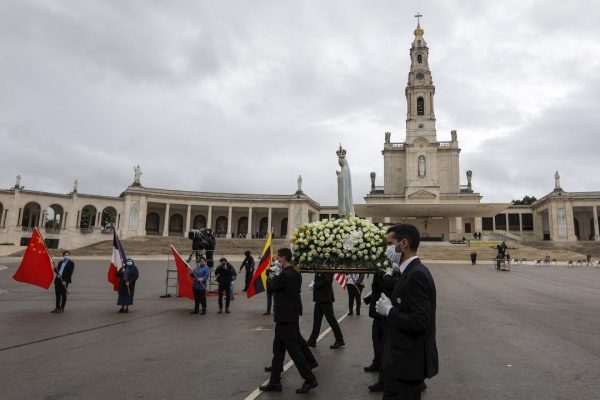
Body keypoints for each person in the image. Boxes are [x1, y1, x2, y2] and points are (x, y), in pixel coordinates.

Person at [375, 224, 438, 400]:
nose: (387, 249)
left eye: (390, 243)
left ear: (403, 244)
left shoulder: (416, 274)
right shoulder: (407, 272)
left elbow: (419, 322)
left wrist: (390, 311)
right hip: (400, 362)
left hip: (407, 364)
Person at [259, 248, 319, 394]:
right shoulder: (295, 273)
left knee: (294, 350)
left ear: (284, 258)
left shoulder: (285, 275)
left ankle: (310, 379)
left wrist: (272, 274)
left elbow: (271, 288)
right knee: (279, 349)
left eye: (278, 258)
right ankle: (274, 382)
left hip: (285, 316)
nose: (276, 261)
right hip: (288, 315)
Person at [366, 267, 402, 392]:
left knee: (386, 346)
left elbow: (388, 286)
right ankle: (377, 363)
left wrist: (386, 274)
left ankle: (383, 380)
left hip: (385, 311)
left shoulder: (394, 269)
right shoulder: (381, 268)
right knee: (376, 340)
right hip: (378, 310)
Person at [307, 272, 345, 349]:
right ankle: (312, 340)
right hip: (320, 298)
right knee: (317, 320)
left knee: (331, 320)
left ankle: (340, 340)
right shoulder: (320, 266)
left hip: (325, 298)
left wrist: (315, 285)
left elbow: (328, 280)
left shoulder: (327, 266)